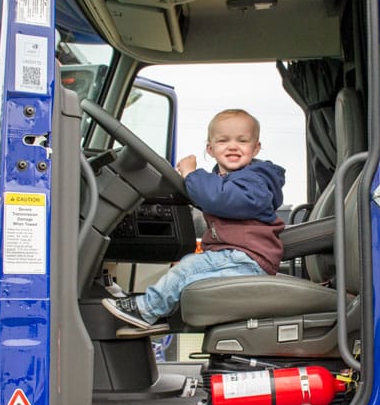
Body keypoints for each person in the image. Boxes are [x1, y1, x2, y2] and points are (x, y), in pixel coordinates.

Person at [102, 108, 286, 330]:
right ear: (210, 149)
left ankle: (146, 310)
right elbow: (213, 195)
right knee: (187, 272)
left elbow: (221, 198)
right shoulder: (226, 178)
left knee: (188, 268)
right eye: (223, 141)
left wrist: (192, 174)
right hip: (237, 256)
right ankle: (157, 313)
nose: (233, 146)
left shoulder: (254, 180)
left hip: (246, 258)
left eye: (242, 141)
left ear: (255, 148)